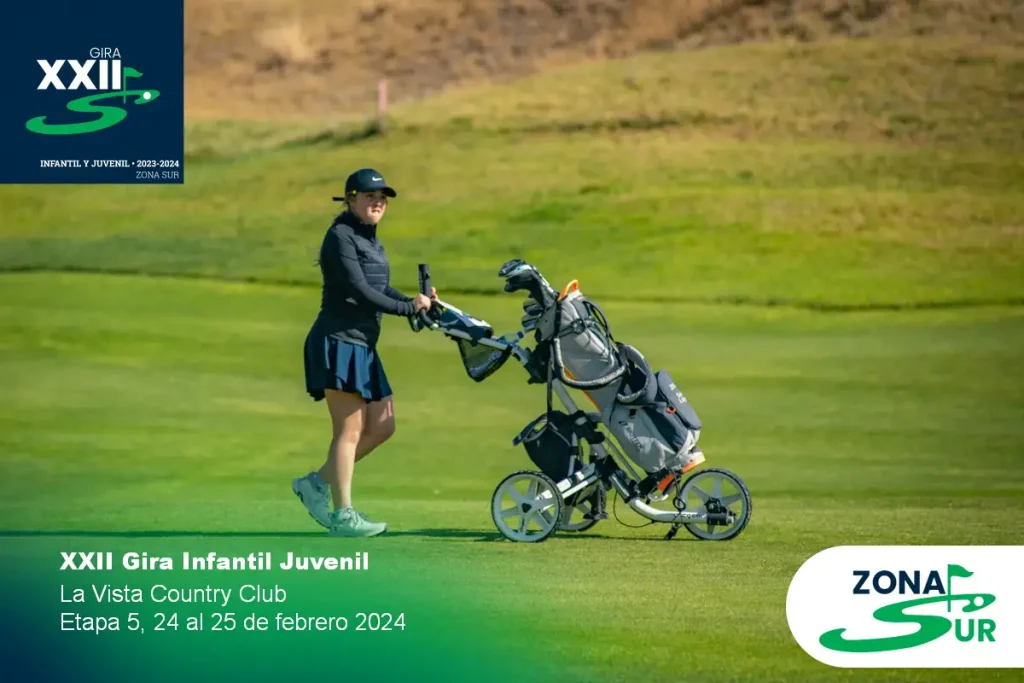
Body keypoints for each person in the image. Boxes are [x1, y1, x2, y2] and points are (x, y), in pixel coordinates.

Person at [293, 168, 434, 538]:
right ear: (350, 199)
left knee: (383, 426)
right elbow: (359, 290)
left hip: (363, 345)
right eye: (370, 196)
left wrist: (415, 303)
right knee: (350, 430)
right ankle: (343, 516)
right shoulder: (340, 236)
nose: (378, 203)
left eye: (382, 198)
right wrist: (407, 308)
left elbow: (380, 288)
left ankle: (315, 484)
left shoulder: (371, 240)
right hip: (338, 341)